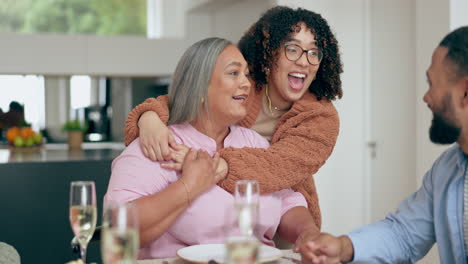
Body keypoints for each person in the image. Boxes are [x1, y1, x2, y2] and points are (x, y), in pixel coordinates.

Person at [123, 6, 343, 231]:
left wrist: (215, 166)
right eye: (293, 49)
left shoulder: (321, 118)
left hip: (284, 220)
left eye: (314, 52)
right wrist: (148, 117)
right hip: (224, 211)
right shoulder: (246, 87)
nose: (305, 61)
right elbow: (190, 96)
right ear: (270, 54)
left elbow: (280, 166)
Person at [105, 37, 319, 259]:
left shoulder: (254, 143)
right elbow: (120, 230)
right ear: (199, 85)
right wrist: (189, 186)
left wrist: (307, 232)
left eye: (246, 74)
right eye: (234, 73)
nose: (246, 83)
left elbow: (286, 201)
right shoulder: (157, 144)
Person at [300, 26, 468, 264]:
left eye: (432, 84)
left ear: (465, 92)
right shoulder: (446, 170)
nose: (426, 98)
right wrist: (343, 248)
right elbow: (404, 235)